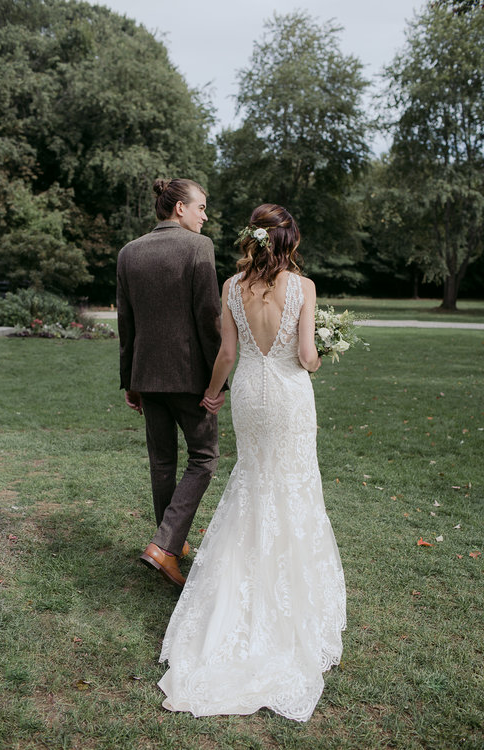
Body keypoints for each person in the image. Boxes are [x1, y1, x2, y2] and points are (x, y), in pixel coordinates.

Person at [157, 204, 347, 722]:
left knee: (253, 479)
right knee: (293, 484)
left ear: (252, 238)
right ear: (289, 240)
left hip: (248, 393)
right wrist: (323, 349)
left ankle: (238, 591)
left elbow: (226, 353)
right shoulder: (303, 288)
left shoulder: (230, 285)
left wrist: (212, 395)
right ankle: (288, 598)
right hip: (287, 394)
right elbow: (306, 357)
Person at [116, 177, 224, 587]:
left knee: (162, 462)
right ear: (179, 208)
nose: (205, 215)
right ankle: (164, 546)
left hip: (147, 375)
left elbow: (127, 325)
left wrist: (131, 380)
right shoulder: (200, 247)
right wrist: (218, 382)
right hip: (190, 377)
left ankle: (169, 546)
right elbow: (208, 319)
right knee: (204, 458)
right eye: (201, 207)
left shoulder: (128, 253)